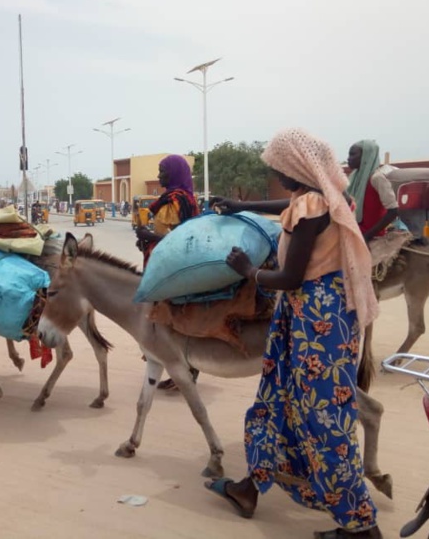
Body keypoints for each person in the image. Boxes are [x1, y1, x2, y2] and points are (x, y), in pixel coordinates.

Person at [204, 128, 382, 539]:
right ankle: (249, 489)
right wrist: (243, 206)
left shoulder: (313, 207)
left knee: (324, 422)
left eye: (279, 168)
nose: (276, 175)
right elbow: (290, 204)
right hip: (307, 318)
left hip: (317, 324)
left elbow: (288, 277)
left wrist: (247, 270)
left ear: (296, 167)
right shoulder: (323, 198)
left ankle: (362, 526)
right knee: (276, 400)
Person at [134, 154, 201, 391]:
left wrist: (149, 237)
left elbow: (177, 238)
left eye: (162, 170)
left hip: (171, 268)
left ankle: (185, 371)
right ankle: (181, 369)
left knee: (171, 318)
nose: (159, 175)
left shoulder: (175, 200)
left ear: (173, 173)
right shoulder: (184, 198)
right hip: (171, 265)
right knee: (174, 318)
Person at [346, 140, 399, 243]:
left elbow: (393, 211)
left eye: (352, 154)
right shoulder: (353, 177)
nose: (348, 158)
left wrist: (367, 236)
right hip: (355, 231)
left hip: (371, 236)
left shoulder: (377, 178)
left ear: (366, 156)